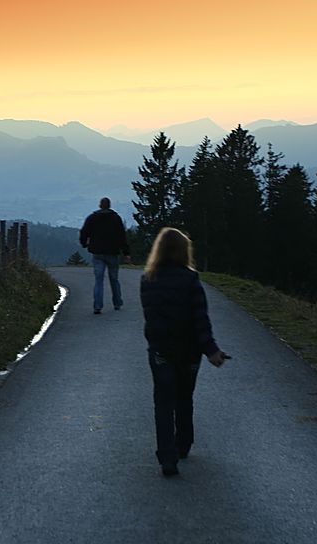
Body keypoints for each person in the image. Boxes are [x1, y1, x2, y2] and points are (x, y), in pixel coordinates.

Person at [139, 227, 229, 477]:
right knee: (184, 397)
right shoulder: (191, 279)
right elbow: (200, 319)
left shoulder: (148, 279)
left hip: (160, 351)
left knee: (163, 402)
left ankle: (167, 457)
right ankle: (184, 443)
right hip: (189, 352)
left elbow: (151, 316)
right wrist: (211, 351)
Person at [79, 197, 130, 313]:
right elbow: (122, 236)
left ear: (100, 205)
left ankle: (98, 305)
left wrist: (84, 243)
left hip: (97, 253)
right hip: (112, 252)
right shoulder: (116, 218)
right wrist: (126, 253)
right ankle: (117, 303)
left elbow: (84, 232)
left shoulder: (92, 218)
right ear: (109, 205)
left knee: (98, 280)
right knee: (114, 279)